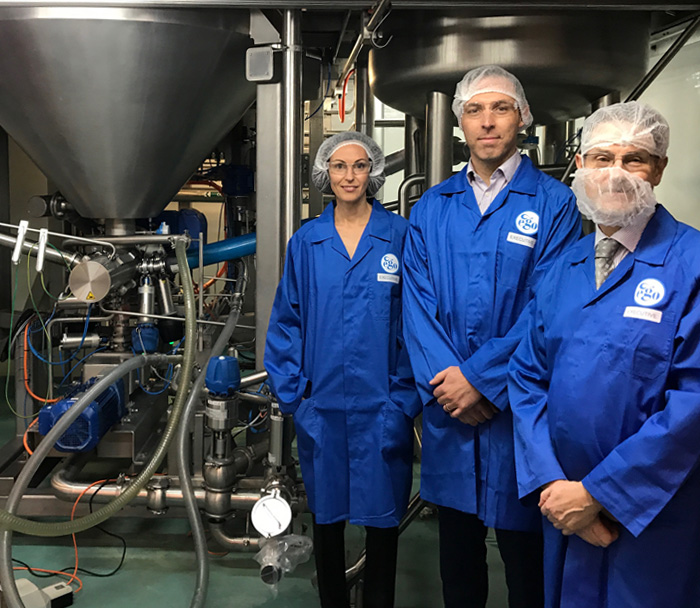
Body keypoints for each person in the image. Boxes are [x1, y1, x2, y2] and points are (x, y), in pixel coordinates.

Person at [402, 65, 581, 608]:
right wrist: (451, 386)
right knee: (457, 562)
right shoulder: (433, 206)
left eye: (500, 108)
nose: (487, 122)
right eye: (475, 110)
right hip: (449, 410)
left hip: (518, 409)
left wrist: (481, 381)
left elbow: (549, 307)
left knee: (526, 563)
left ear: (522, 118)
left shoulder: (555, 205)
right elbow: (417, 307)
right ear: (459, 123)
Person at [508, 101, 700, 607]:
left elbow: (692, 403)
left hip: (651, 517)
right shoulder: (563, 268)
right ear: (579, 165)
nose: (615, 174)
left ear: (659, 168)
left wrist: (599, 497)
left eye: (633, 159)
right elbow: (527, 376)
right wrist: (554, 484)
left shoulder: (691, 265)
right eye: (600, 158)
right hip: (563, 510)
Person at [264, 131, 420, 608]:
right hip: (322, 405)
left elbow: (415, 324)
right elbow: (285, 322)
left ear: (373, 171)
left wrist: (403, 402)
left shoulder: (399, 235)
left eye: (358, 166)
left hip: (383, 406)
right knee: (327, 520)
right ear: (324, 176)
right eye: (338, 167)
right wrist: (295, 398)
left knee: (383, 522)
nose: (349, 175)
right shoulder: (307, 242)